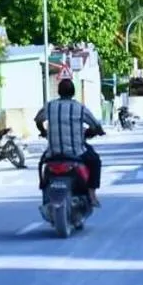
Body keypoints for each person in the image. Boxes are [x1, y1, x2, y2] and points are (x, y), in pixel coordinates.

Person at [34, 78, 105, 207]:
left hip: (53, 153)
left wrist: (43, 131)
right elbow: (96, 126)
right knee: (95, 161)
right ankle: (92, 193)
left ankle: (45, 192)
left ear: (58, 91)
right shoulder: (79, 108)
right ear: (73, 92)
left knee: (41, 164)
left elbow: (38, 120)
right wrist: (94, 132)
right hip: (76, 153)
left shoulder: (49, 106)